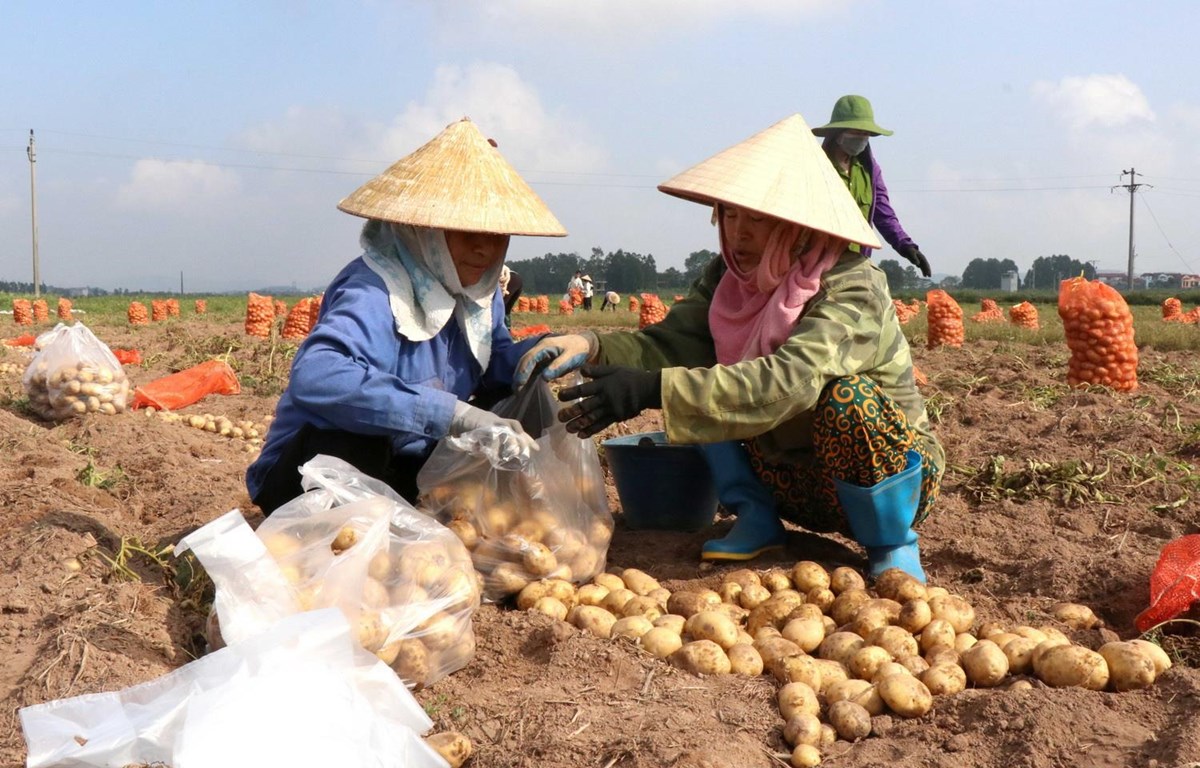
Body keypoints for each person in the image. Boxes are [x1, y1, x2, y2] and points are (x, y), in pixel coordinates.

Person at [514, 113, 943, 581]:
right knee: (709, 367)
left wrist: (651, 390)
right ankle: (757, 516)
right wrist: (591, 343)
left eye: (759, 219)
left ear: (798, 225)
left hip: (888, 479)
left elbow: (790, 381)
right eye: (731, 213)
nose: (738, 234)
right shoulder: (727, 280)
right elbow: (672, 343)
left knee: (849, 401)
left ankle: (891, 540)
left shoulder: (851, 286)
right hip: (792, 481)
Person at [246, 118, 567, 514]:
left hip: (408, 462)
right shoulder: (375, 288)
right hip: (311, 471)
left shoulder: (480, 294)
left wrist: (543, 349)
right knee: (355, 433)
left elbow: (491, 367)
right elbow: (318, 376)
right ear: (426, 230)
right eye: (467, 232)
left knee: (519, 399)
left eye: (496, 234)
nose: (484, 250)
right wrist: (453, 413)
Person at [812, 95, 931, 279]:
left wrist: (905, 245)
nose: (861, 138)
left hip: (856, 263)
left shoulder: (869, 170)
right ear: (838, 133)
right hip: (815, 265)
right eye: (856, 132)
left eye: (865, 133)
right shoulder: (814, 166)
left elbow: (883, 214)